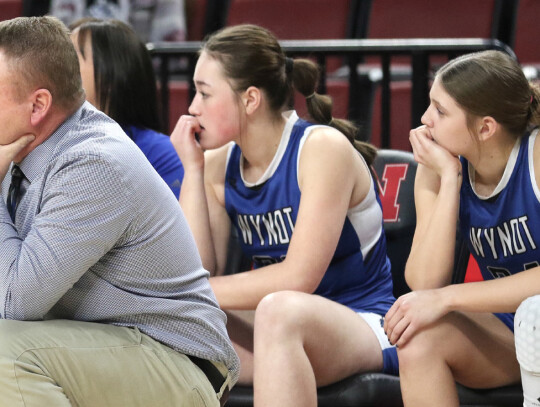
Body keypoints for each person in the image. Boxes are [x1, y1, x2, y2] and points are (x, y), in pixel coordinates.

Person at [0, 16, 238, 406]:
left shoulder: (93, 163)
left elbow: (15, 303)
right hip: (110, 346)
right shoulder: (19, 149)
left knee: (5, 353)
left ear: (38, 105)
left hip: (177, 360)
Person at [170, 23, 397, 407]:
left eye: (205, 93)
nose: (192, 108)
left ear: (251, 99)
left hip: (362, 322)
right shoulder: (216, 165)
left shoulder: (321, 149)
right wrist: (192, 171)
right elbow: (195, 269)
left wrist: (189, 293)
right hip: (281, 328)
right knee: (164, 323)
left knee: (279, 308)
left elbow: (298, 278)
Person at [383, 50, 540, 406]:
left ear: (486, 127)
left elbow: (438, 294)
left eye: (440, 111)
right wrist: (450, 180)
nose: (424, 120)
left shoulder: (536, 157)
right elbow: (424, 283)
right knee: (418, 337)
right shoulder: (440, 168)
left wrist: (447, 298)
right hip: (513, 327)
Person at [69, 17, 184, 198]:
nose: (58, 70)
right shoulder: (53, 143)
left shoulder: (161, 154)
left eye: (71, 59)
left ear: (110, 74)